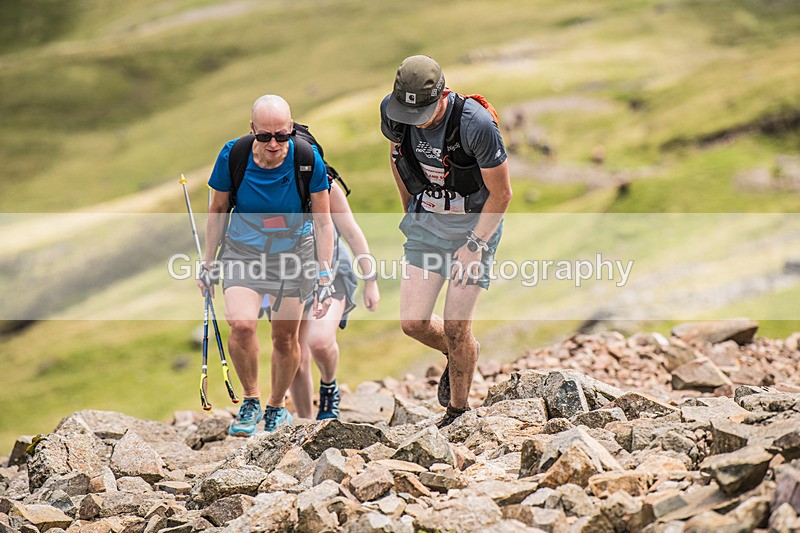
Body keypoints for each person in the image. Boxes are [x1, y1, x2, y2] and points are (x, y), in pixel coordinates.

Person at [380, 55, 512, 428]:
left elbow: (501, 195)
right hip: (428, 222)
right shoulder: (393, 114)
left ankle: (456, 413)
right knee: (413, 322)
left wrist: (474, 245)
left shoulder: (477, 124)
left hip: (475, 225)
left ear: (442, 95)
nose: (414, 120)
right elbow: (396, 155)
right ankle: (461, 353)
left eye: (422, 111)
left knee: (456, 326)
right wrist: (409, 207)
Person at [197, 94, 335, 436]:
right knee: (241, 325)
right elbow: (217, 210)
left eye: (281, 136)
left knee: (284, 337)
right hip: (244, 250)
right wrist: (208, 262)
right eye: (264, 136)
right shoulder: (234, 155)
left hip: (294, 254)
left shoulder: (307, 158)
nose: (273, 144)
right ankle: (250, 399)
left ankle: (276, 406)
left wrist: (324, 273)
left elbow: (323, 222)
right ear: (252, 131)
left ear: (291, 129)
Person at [287, 179, 380, 420]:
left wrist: (371, 280)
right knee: (295, 357)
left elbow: (351, 231)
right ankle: (305, 424)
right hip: (288, 278)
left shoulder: (326, 185)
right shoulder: (268, 181)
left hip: (333, 273)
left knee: (318, 341)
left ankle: (329, 386)